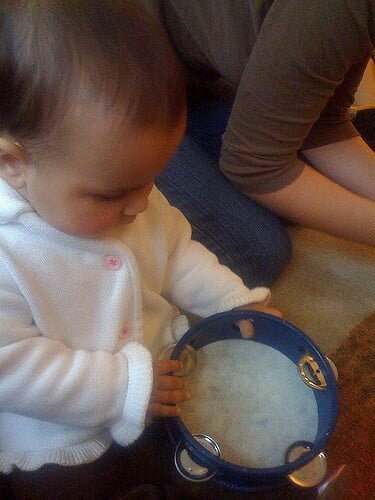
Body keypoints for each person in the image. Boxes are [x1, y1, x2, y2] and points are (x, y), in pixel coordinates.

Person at [0, 1, 280, 498]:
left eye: (151, 180)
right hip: (61, 443)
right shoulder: (9, 251)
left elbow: (175, 251)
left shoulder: (124, 187)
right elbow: (12, 368)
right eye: (112, 194)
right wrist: (121, 388)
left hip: (157, 381)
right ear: (12, 164)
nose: (141, 205)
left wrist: (231, 300)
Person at [136, 0, 375, 288]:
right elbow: (254, 166)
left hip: (193, 85)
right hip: (127, 92)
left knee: (301, 170)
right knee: (256, 253)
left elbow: (323, 123)